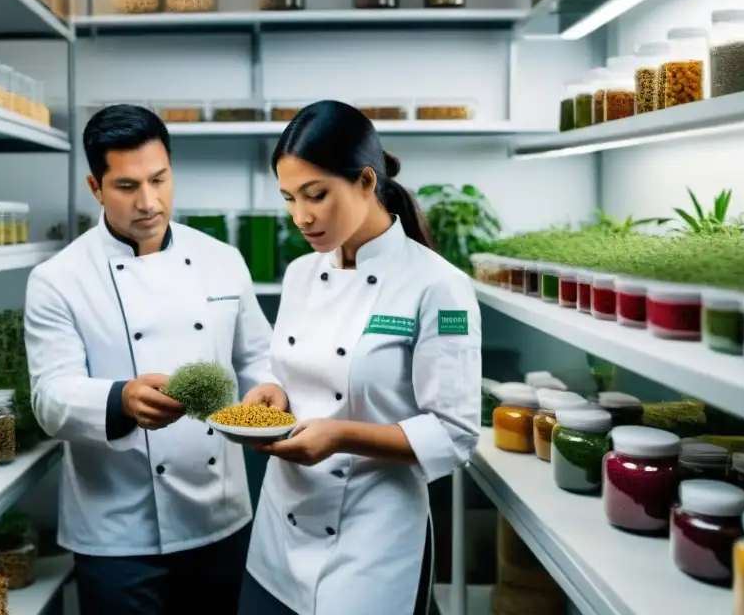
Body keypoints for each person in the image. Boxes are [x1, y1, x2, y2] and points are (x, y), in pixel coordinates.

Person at [24, 104, 287, 614]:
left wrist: (267, 391)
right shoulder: (59, 279)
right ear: (95, 187)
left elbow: (258, 355)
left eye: (159, 179)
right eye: (126, 186)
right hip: (119, 532)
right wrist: (120, 398)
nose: (148, 201)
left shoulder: (220, 259)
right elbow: (50, 398)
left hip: (221, 517)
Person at [238, 100, 482, 615]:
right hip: (280, 534)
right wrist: (272, 391)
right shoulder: (300, 274)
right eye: (288, 198)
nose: (301, 216)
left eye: (317, 195)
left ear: (367, 182)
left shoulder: (438, 285)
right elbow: (288, 371)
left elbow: (454, 433)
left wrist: (341, 436)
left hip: (374, 544)